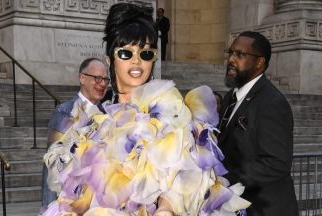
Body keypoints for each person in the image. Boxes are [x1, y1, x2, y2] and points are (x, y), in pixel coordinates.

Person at [41, 3, 250, 215]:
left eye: (146, 54)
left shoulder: (171, 111)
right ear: (109, 60)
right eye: (125, 53)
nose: (137, 62)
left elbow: (184, 175)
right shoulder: (94, 125)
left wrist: (165, 209)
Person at [217, 31, 298, 216]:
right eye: (230, 53)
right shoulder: (230, 97)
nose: (231, 59)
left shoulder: (272, 103)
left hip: (264, 209)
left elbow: (276, 162)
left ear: (259, 62)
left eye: (240, 54)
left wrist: (228, 181)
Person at [40, 57, 109, 211]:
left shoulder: (109, 114)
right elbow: (52, 166)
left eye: (105, 79)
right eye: (97, 78)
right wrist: (49, 207)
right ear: (82, 78)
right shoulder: (65, 112)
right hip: (69, 201)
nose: (102, 84)